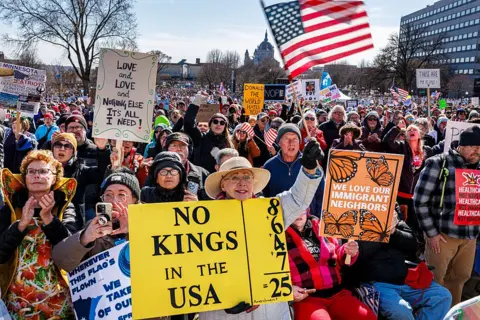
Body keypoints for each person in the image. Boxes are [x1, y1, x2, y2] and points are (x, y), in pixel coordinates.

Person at [200, 138, 323, 320]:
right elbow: (196, 266)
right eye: (234, 178)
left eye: (247, 177)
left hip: (268, 309)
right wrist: (225, 295)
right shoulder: (203, 220)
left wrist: (309, 168)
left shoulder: (270, 211)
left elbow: (298, 199)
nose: (242, 183)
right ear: (223, 185)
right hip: (222, 311)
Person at [0, 150, 79, 319]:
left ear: (54, 178)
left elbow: (73, 252)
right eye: (31, 171)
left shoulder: (66, 207)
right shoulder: (10, 208)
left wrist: (49, 219)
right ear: (25, 177)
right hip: (17, 301)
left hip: (58, 301)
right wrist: (20, 226)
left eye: (43, 171)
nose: (36, 175)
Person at [414, 126, 480, 306]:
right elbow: (420, 200)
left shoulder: (478, 166)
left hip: (469, 235)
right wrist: (431, 233)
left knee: (460, 278)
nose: (477, 152)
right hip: (442, 236)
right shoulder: (439, 163)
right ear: (463, 145)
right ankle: (431, 314)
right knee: (434, 280)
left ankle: (451, 314)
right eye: (475, 147)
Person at [343, 211, 452, 320]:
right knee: (402, 312)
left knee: (443, 296)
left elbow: (412, 244)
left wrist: (394, 232)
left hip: (404, 279)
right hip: (375, 283)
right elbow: (355, 256)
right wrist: (381, 232)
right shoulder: (350, 212)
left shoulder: (389, 207)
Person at [288, 212, 376, 320]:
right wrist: (288, 289)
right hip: (306, 297)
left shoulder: (323, 226)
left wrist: (348, 251)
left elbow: (338, 255)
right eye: (295, 208)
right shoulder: (276, 235)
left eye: (302, 207)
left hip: (337, 293)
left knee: (368, 317)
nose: (298, 213)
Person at [263, 124, 325, 218]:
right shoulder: (269, 166)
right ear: (279, 142)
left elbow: (321, 194)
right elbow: (265, 197)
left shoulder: (311, 164)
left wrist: (317, 219)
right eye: (286, 138)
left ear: (299, 142)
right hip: (280, 222)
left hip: (306, 222)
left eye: (295, 138)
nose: (291, 143)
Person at [383, 121, 432, 238]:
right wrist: (397, 128)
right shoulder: (401, 147)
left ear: (420, 134)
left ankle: (419, 248)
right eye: (409, 130)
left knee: (418, 225)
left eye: (414, 129)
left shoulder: (427, 151)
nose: (412, 131)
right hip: (401, 194)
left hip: (418, 195)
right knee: (403, 225)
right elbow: (386, 142)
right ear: (405, 135)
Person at [52, 133, 110, 224]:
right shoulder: (42, 168)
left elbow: (102, 174)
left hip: (74, 220)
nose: (62, 149)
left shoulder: (80, 170)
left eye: (67, 146)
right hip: (47, 216)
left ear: (74, 151)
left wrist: (102, 150)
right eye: (58, 145)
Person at [184, 96, 234, 173]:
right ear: (210, 125)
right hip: (202, 179)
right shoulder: (200, 138)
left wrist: (219, 157)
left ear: (225, 127)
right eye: (215, 121)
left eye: (222, 123)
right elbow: (188, 123)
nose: (218, 124)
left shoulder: (229, 143)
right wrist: (196, 102)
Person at [163, 132, 210, 200]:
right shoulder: (157, 173)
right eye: (174, 145)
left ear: (189, 150)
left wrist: (198, 202)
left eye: (183, 145)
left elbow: (211, 203)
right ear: (167, 150)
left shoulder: (203, 174)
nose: (179, 149)